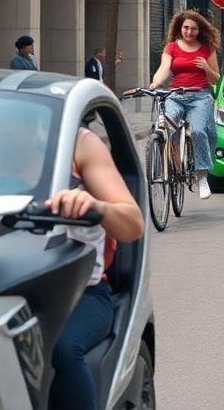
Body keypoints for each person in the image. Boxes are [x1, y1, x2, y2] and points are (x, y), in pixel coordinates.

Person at [46, 118, 145, 410]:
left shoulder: (78, 143)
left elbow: (132, 224)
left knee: (61, 349)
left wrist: (95, 207)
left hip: (79, 293)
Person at [139, 10, 221, 198]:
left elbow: (215, 79)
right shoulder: (172, 48)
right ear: (180, 28)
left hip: (200, 97)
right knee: (167, 124)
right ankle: (173, 165)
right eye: (186, 28)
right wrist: (155, 84)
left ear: (199, 30)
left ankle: (201, 176)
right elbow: (164, 68)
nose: (189, 32)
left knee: (199, 131)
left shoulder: (206, 49)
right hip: (175, 95)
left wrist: (207, 68)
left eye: (193, 29)